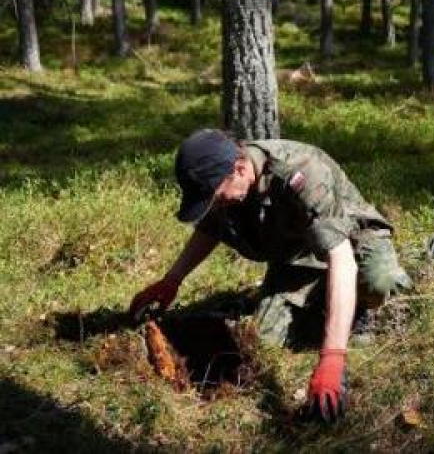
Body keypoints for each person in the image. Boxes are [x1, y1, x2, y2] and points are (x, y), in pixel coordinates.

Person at [129, 129, 412, 422]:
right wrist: (172, 280)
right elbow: (211, 229)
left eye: (215, 198)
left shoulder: (301, 172)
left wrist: (332, 359)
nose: (215, 206)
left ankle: (360, 309)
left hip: (352, 242)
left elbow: (341, 259)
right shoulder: (228, 185)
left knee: (379, 282)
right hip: (299, 255)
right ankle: (325, 298)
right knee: (266, 339)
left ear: (239, 169)